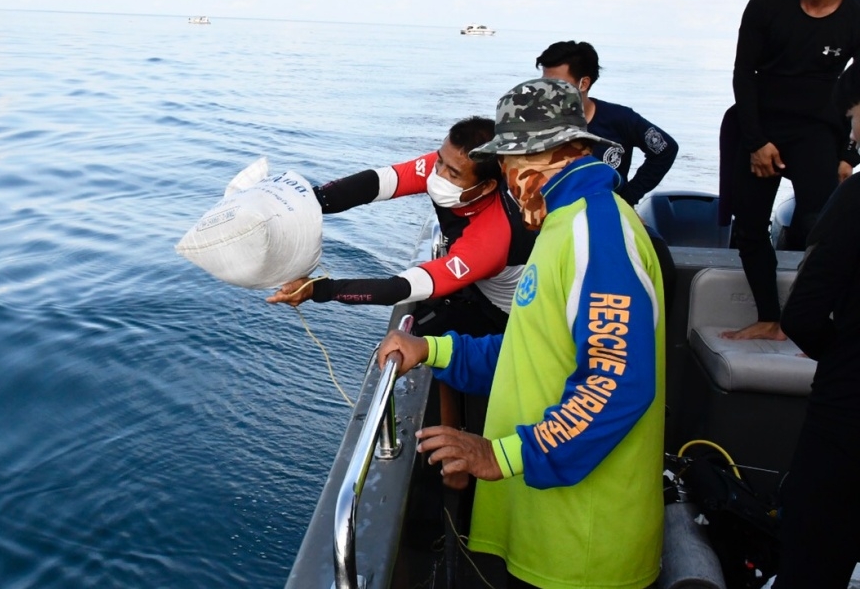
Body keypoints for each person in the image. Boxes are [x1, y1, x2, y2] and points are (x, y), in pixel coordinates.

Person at [376, 78, 666, 589]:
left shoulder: (595, 232)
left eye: (509, 159)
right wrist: (433, 349)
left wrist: (499, 454)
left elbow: (616, 382)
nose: (507, 175)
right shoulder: (560, 224)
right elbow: (532, 350)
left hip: (584, 550)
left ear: (546, 154)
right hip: (546, 535)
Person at [267, 116, 535, 339]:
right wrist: (303, 202)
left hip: (508, 315)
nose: (437, 174)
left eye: (452, 174)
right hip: (476, 282)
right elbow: (379, 182)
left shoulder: (490, 238)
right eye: (439, 161)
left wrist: (318, 290)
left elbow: (404, 287)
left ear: (487, 186)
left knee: (428, 335)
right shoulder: (453, 163)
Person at [720, 0, 860, 341]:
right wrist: (756, 142)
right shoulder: (766, 5)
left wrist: (849, 156)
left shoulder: (857, 13)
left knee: (824, 224)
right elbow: (744, 74)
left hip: (817, 129)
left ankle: (814, 324)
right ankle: (769, 319)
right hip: (757, 123)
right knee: (749, 227)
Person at [775, 68, 860, 589]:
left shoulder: (853, 198)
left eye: (853, 117)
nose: (851, 135)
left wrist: (843, 361)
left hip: (848, 413)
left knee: (813, 560)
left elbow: (803, 313)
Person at [536, 40, 679, 207]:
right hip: (555, 219)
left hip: (608, 215)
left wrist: (627, 198)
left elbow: (665, 149)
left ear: (583, 83)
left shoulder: (620, 119)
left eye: (556, 84)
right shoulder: (536, 124)